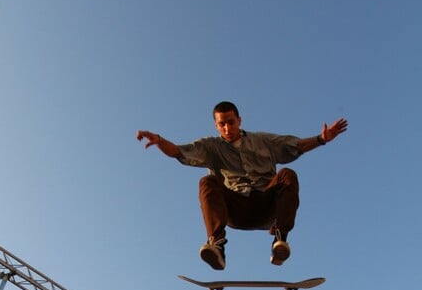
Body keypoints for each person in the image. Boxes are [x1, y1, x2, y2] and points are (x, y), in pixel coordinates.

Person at [137, 101, 348, 269]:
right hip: (235, 209)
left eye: (231, 122)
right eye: (222, 124)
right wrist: (159, 140)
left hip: (267, 207)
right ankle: (217, 245)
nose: (227, 129)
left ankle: (280, 241)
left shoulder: (263, 141)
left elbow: (296, 146)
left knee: (287, 174)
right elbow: (179, 152)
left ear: (239, 120)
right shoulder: (210, 147)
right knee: (207, 182)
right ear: (216, 125)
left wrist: (321, 139)